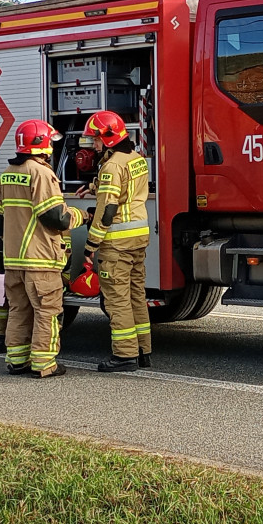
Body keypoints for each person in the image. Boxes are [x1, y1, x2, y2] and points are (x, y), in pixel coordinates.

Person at [0, 119, 85, 377]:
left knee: (19, 309)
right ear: (41, 144)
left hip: (13, 260)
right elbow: (56, 217)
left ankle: (17, 360)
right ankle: (44, 364)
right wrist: (81, 216)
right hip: (40, 259)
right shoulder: (42, 173)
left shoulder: (7, 174)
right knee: (47, 312)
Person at [82, 110, 151, 372]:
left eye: (96, 139)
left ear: (108, 137)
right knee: (136, 296)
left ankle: (124, 355)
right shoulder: (136, 158)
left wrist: (91, 244)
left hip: (117, 243)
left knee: (117, 300)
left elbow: (108, 209)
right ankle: (143, 350)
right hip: (138, 239)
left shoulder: (111, 166)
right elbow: (125, 188)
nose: (94, 144)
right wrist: (93, 186)